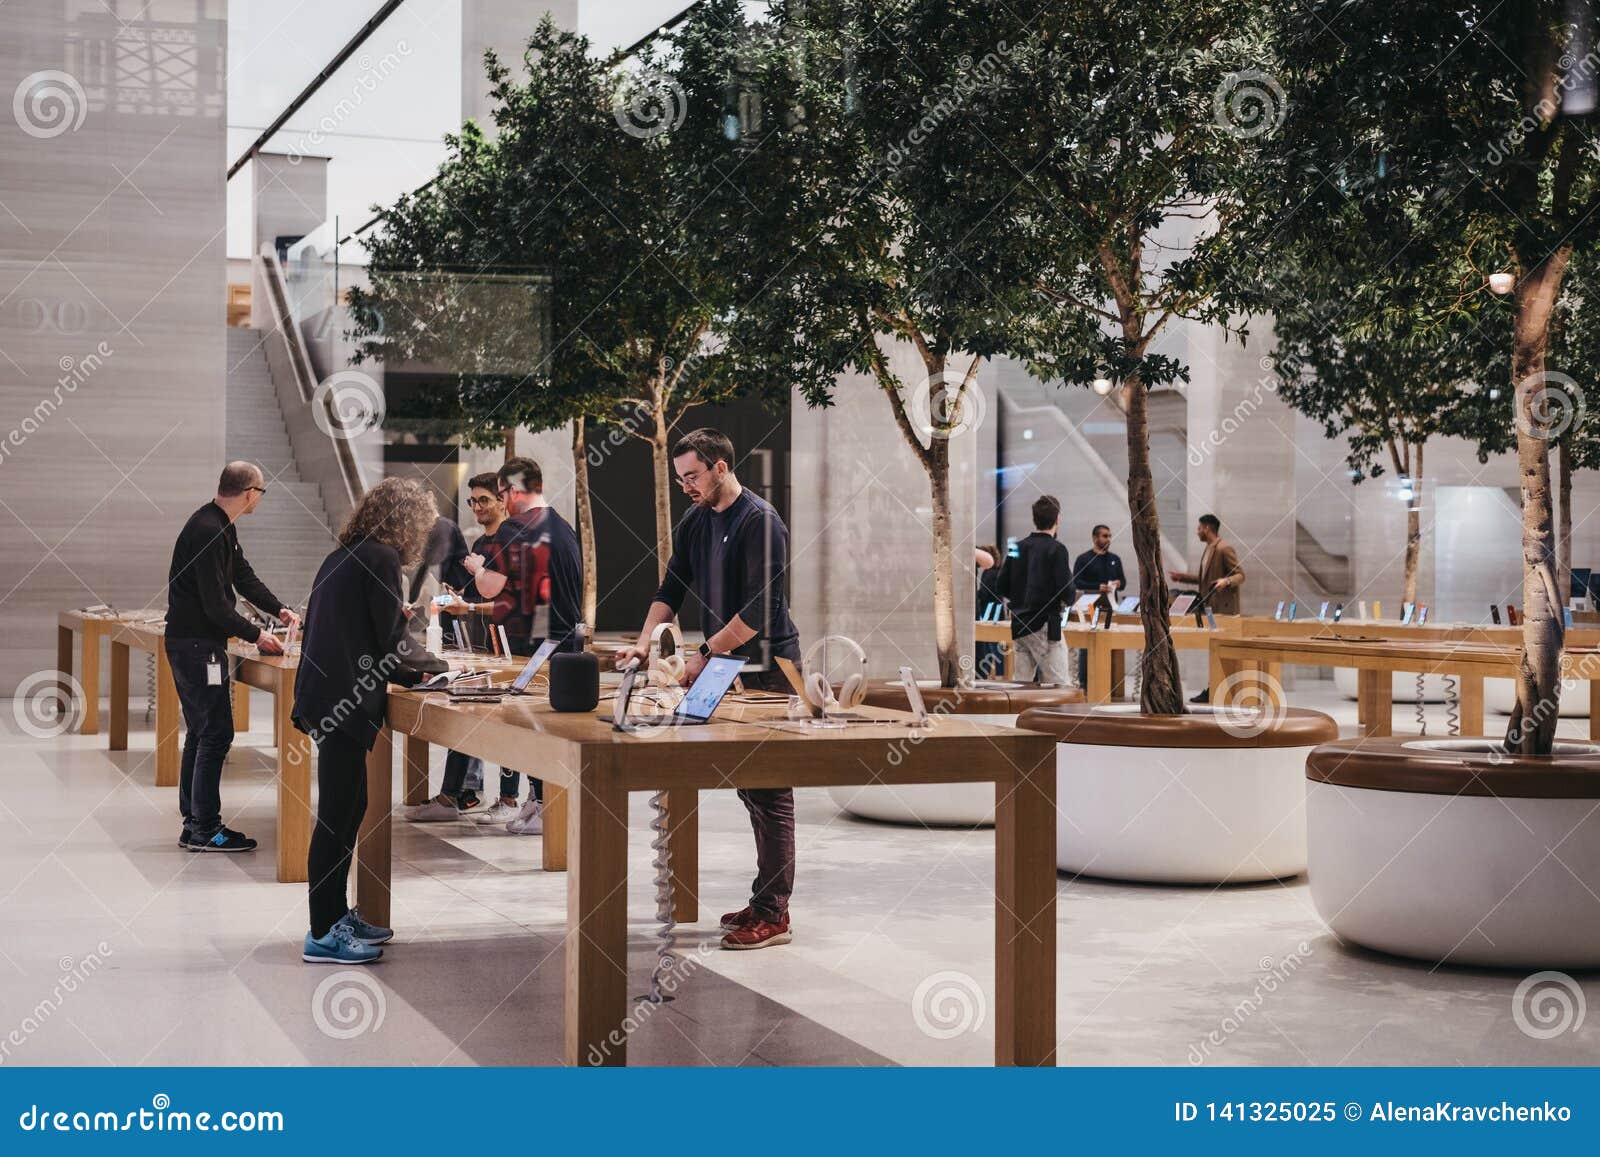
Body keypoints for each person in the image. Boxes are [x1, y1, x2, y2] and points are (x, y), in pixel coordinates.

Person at [615, 428, 802, 951]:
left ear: (721, 466)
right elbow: (670, 587)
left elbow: (762, 612)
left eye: (692, 476)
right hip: (724, 663)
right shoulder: (697, 520)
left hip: (766, 665)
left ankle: (774, 914)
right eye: (680, 479)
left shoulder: (761, 522)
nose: (686, 487)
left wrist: (702, 656)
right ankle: (765, 896)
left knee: (771, 790)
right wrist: (643, 643)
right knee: (747, 784)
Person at [293, 477, 437, 964]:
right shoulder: (380, 558)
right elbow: (393, 645)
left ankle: (335, 916)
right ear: (408, 521)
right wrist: (440, 669)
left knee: (351, 807)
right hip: (343, 700)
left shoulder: (345, 554)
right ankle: (321, 932)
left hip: (327, 693)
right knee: (337, 814)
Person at [165, 461, 298, 853]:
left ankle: (194, 822)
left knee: (202, 731)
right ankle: (205, 828)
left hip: (195, 643)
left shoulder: (220, 525)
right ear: (250, 492)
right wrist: (258, 635)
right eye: (261, 492)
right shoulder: (208, 530)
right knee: (216, 732)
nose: (260, 499)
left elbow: (243, 575)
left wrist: (280, 610)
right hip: (196, 647)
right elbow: (214, 607)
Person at [462, 457, 584, 834]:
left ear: (513, 492)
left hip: (534, 647)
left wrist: (477, 569)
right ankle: (541, 801)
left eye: (500, 494)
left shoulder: (516, 527)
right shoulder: (561, 526)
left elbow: (490, 587)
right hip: (565, 644)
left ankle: (545, 806)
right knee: (547, 730)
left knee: (528, 731)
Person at [402, 476, 509, 823]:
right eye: (473, 501)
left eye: (484, 500)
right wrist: (462, 601)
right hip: (480, 641)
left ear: (503, 499)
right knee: (468, 715)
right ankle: (461, 794)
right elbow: (478, 594)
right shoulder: (481, 543)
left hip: (506, 645)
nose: (477, 507)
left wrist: (470, 608)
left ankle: (504, 798)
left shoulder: (511, 542)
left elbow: (511, 602)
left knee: (508, 723)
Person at [996, 496, 1074, 685]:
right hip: (1045, 624)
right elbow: (1067, 591)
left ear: (1034, 519)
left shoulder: (1016, 547)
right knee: (1059, 684)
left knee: (1022, 684)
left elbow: (1000, 585)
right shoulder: (1057, 549)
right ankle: (1055, 716)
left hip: (1020, 624)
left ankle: (1020, 714)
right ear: (1057, 519)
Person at [1169, 513, 1245, 703]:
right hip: (1210, 610)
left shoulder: (1224, 548)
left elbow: (1240, 575)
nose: (1197, 532)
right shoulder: (1210, 549)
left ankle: (1217, 689)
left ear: (1207, 528)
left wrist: (1226, 581)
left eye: (1199, 528)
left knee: (1221, 649)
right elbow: (1205, 580)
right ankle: (1214, 688)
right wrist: (1183, 577)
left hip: (1223, 611)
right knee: (1214, 649)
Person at [1071, 524, 1127, 688]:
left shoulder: (1114, 559)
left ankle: (1111, 683)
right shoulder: (1084, 559)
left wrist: (1118, 583)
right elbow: (1076, 582)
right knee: (1088, 645)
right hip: (1091, 607)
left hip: (1111, 608)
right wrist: (1097, 587)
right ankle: (1085, 682)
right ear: (1095, 538)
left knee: (1111, 643)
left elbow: (1123, 583)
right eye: (1105, 536)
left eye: (1110, 536)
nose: (1108, 539)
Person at [974, 544, 1006, 679]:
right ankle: (998, 672)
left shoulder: (989, 573)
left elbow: (985, 592)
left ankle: (996, 672)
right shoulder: (999, 571)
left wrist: (978, 596)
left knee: (990, 641)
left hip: (990, 608)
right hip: (997, 608)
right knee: (996, 642)